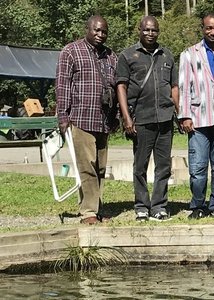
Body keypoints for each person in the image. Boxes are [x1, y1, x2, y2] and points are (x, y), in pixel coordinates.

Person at [55, 15, 118, 225]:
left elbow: (117, 88)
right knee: (87, 166)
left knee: (100, 167)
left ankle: (96, 208)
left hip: (104, 120)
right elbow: (62, 85)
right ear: (87, 29)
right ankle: (88, 212)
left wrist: (117, 115)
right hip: (81, 118)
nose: (100, 35)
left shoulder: (111, 56)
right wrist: (63, 116)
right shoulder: (71, 51)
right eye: (96, 30)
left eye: (104, 32)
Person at [116, 16, 179, 222]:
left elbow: (174, 87)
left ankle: (159, 205)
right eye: (147, 30)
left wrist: (179, 112)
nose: (150, 33)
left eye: (154, 30)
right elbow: (121, 87)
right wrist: (127, 118)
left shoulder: (167, 56)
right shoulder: (127, 56)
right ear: (139, 30)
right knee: (140, 165)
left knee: (164, 166)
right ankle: (142, 206)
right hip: (141, 119)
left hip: (165, 118)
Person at [178, 13, 214, 219]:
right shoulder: (189, 54)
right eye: (209, 28)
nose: (213, 32)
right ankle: (197, 205)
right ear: (202, 28)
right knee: (198, 167)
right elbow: (185, 86)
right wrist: (184, 115)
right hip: (198, 118)